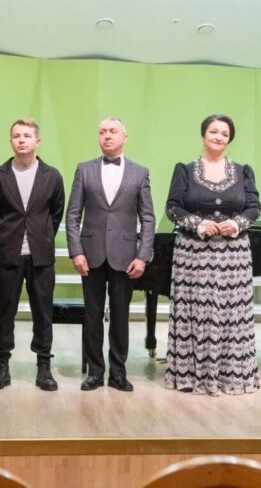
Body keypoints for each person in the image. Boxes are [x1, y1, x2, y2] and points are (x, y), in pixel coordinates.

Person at [165, 114, 261, 396]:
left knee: (231, 316)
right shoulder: (184, 170)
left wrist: (236, 223)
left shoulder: (243, 171)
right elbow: (172, 207)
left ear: (229, 139)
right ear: (203, 135)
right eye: (213, 131)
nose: (219, 137)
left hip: (234, 256)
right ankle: (191, 376)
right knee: (197, 315)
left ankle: (231, 376)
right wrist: (199, 224)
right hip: (193, 254)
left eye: (224, 133)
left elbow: (254, 208)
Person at [66, 117, 155, 392]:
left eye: (113, 131)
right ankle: (95, 372)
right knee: (93, 316)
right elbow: (72, 215)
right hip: (90, 254)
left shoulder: (140, 172)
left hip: (125, 256)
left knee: (120, 317)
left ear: (124, 137)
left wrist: (142, 256)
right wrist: (76, 251)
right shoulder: (84, 170)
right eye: (102, 132)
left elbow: (148, 218)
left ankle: (118, 373)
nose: (107, 136)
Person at [0, 118, 65, 391]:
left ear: (37, 141)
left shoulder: (52, 176)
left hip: (41, 256)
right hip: (7, 254)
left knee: (43, 311)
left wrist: (43, 235)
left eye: (27, 135)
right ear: (11, 141)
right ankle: (2, 365)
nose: (21, 140)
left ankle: (44, 366)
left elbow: (56, 212)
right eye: (16, 135)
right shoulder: (1, 174)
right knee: (4, 311)